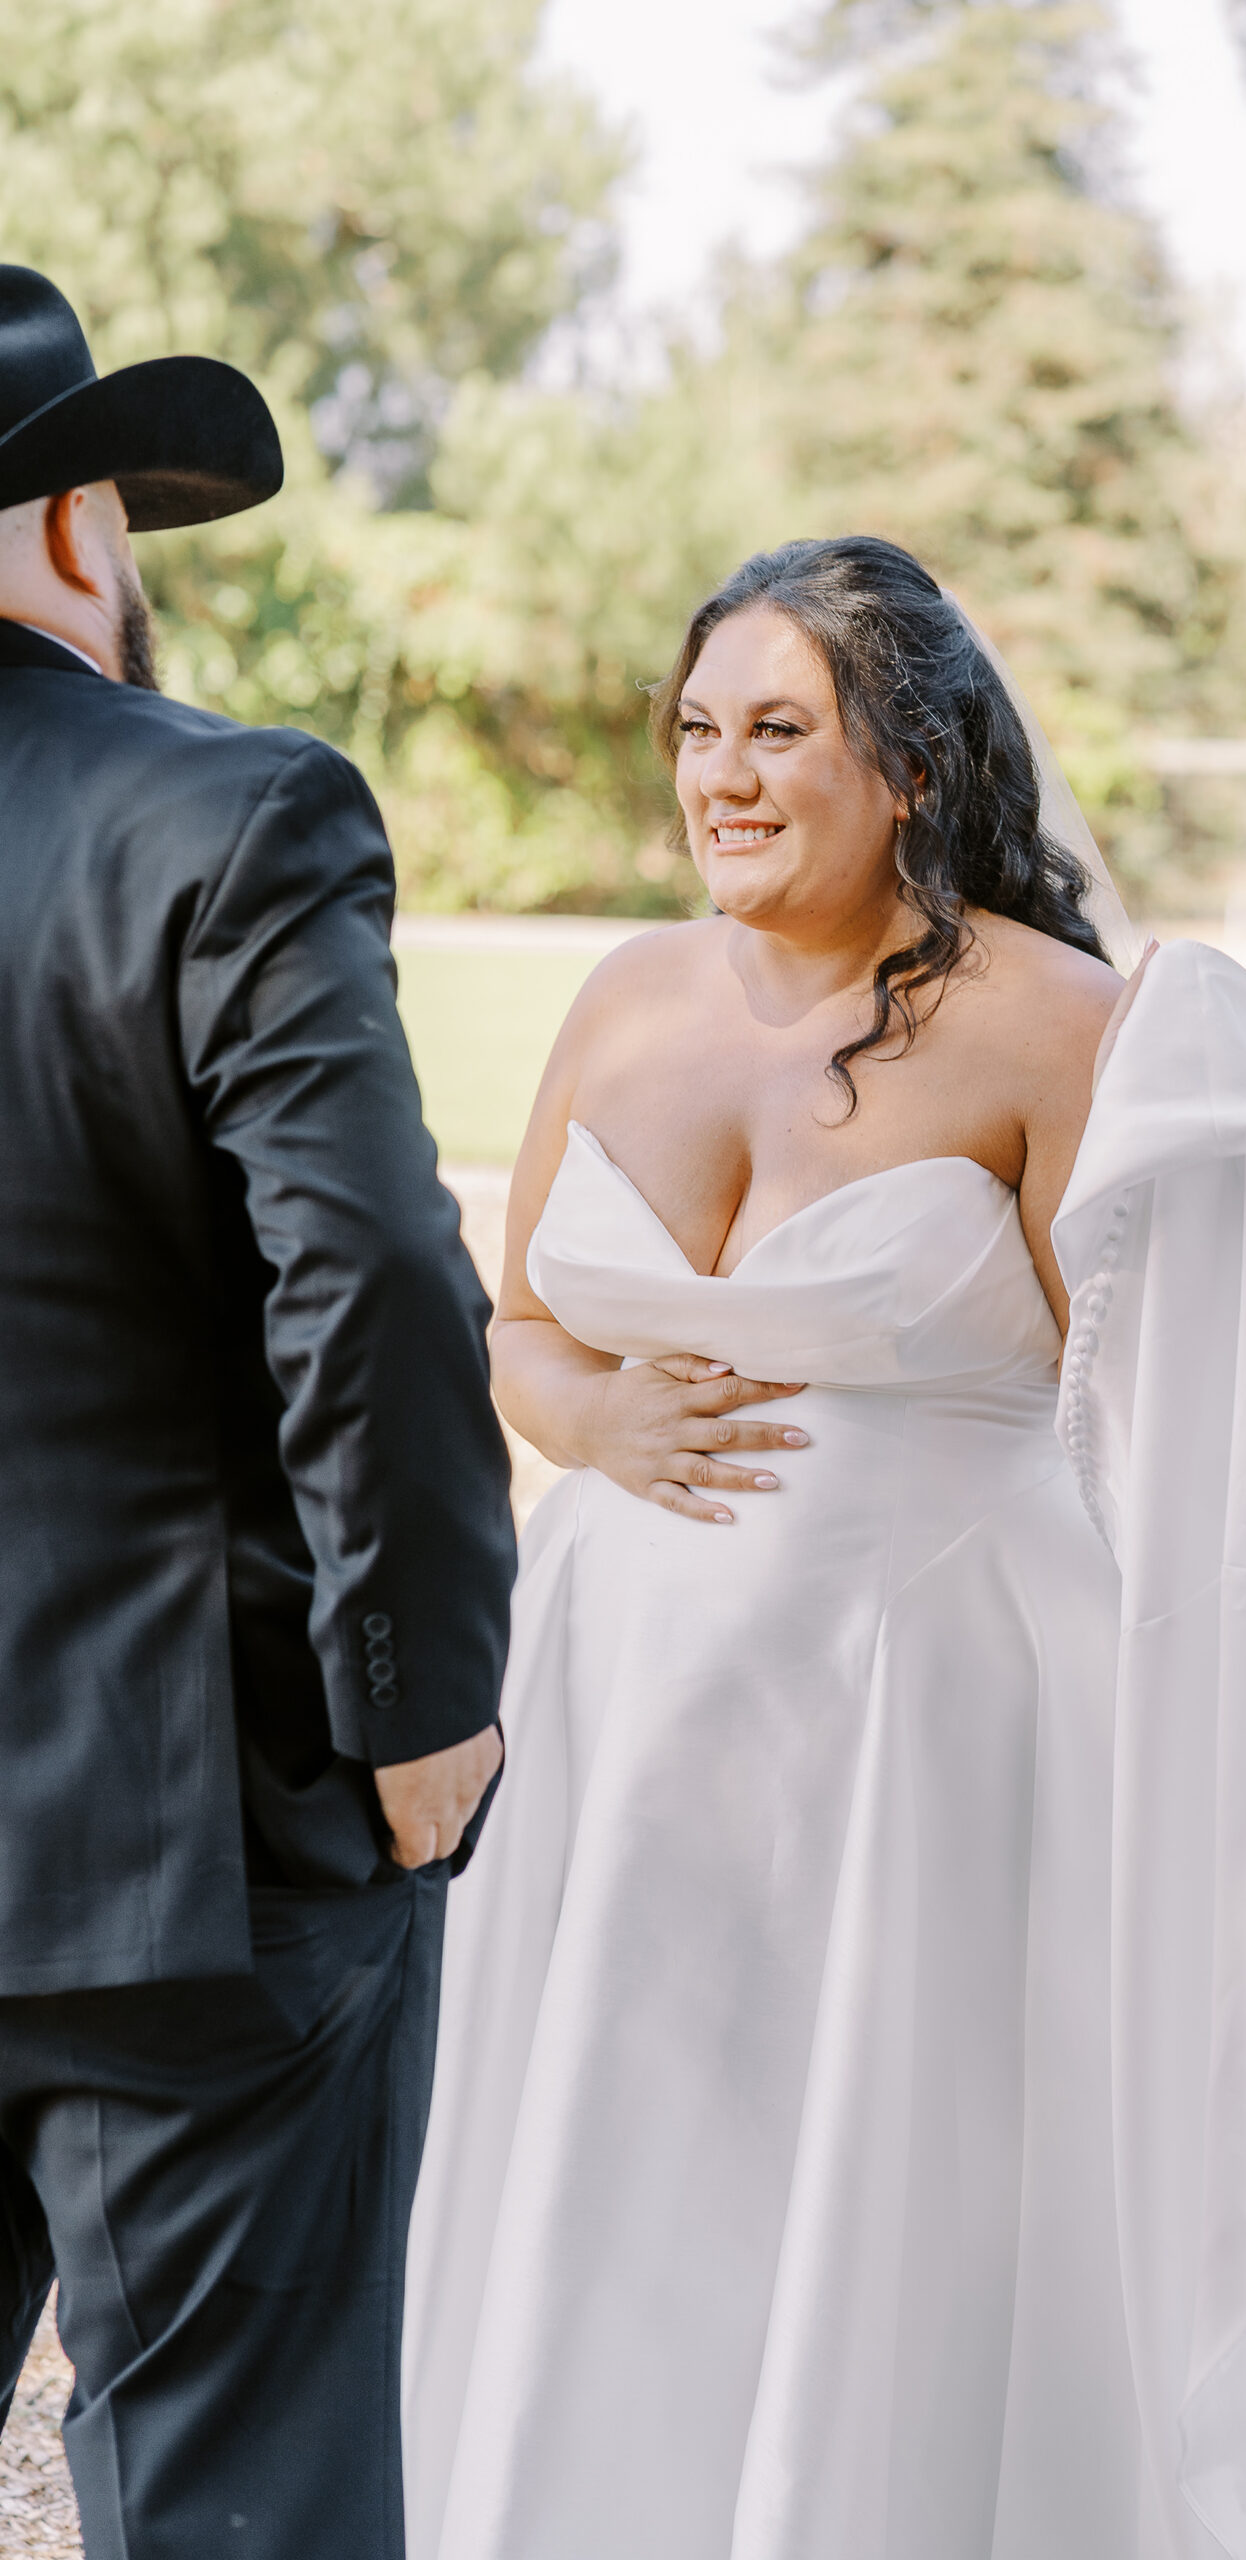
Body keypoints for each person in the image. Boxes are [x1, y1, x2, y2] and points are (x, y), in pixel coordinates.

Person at [404, 536, 1246, 2559]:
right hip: (615, 1716)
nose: (720, 774)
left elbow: (1163, 1428)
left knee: (893, 2213)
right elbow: (517, 1318)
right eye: (697, 729)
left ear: (906, 762)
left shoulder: (1060, 1029)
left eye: (778, 730)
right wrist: (596, 1410)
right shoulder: (627, 993)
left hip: (928, 1732)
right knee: (629, 2189)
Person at [0, 265, 515, 2560]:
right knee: (239, 2502)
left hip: (174, 1840)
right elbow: (374, 1273)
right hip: (189, 1846)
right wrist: (422, 1703)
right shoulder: (234, 813)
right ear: (72, 526)